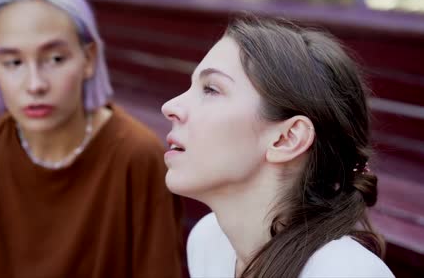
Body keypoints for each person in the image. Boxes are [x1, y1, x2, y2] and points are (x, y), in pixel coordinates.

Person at [0, 0, 183, 278]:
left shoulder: (137, 156)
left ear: (88, 59)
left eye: (55, 59)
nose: (35, 84)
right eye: (13, 62)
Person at [161, 17, 394, 278]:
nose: (170, 107)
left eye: (211, 89)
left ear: (287, 139)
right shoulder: (209, 243)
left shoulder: (344, 272)